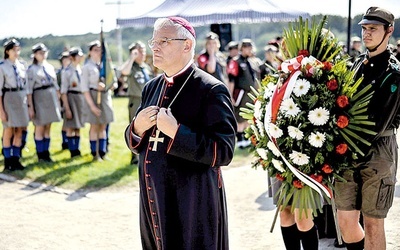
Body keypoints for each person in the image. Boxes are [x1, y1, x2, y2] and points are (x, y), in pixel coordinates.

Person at [124, 16, 236, 249]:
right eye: (153, 41)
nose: (154, 46)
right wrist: (136, 129)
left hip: (192, 202)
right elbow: (137, 141)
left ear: (187, 45)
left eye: (163, 41)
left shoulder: (211, 89)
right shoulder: (151, 87)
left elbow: (223, 151)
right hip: (154, 195)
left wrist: (176, 132)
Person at [334, 7, 400, 250]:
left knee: (373, 224)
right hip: (348, 149)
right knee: (346, 222)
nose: (366, 34)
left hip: (378, 151)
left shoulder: (393, 73)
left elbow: (377, 122)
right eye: (364, 28)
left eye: (373, 29)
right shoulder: (355, 65)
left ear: (388, 31)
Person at [26, 43, 62, 162]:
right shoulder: (32, 70)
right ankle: (40, 153)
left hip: (50, 97)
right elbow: (29, 90)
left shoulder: (50, 67)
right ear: (35, 55)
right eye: (40, 53)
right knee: (40, 126)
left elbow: (55, 84)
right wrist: (30, 106)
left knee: (48, 126)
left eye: (44, 52)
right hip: (39, 97)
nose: (43, 55)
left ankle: (46, 152)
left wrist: (58, 99)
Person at [120, 41, 154, 164]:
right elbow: (123, 72)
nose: (142, 54)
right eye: (139, 51)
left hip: (148, 100)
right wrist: (131, 58)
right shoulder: (131, 66)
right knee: (136, 127)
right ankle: (135, 156)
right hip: (135, 100)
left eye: (144, 51)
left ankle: (146, 153)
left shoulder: (146, 67)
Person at [81, 40, 114, 160]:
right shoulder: (87, 67)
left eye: (100, 50)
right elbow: (84, 88)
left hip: (104, 96)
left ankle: (103, 152)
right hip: (93, 96)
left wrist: (106, 86)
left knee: (103, 126)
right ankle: (94, 153)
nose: (98, 52)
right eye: (95, 50)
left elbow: (112, 82)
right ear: (90, 52)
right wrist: (92, 106)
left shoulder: (105, 65)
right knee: (94, 126)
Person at [0, 38, 29, 171]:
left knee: (20, 129)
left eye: (18, 49)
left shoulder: (21, 65)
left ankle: (16, 159)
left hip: (20, 97)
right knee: (9, 129)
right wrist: (1, 111)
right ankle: (7, 160)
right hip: (9, 97)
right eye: (13, 50)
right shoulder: (2, 66)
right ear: (7, 51)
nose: (16, 52)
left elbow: (26, 86)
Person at [227, 38, 259, 149]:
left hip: (250, 94)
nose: (249, 49)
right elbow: (231, 79)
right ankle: (240, 140)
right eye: (247, 47)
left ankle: (246, 139)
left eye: (250, 47)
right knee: (240, 117)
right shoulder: (235, 61)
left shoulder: (250, 61)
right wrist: (230, 95)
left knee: (248, 118)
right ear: (242, 48)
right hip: (240, 93)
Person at [60, 47, 86, 158]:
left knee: (78, 126)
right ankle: (72, 150)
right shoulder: (67, 72)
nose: (80, 57)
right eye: (78, 55)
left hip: (80, 98)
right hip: (71, 98)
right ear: (72, 57)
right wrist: (67, 108)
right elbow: (63, 91)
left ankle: (77, 148)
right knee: (70, 126)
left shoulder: (81, 69)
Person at [56, 50, 71, 150]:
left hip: (71, 97)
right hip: (62, 97)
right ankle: (65, 141)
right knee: (65, 121)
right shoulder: (60, 73)